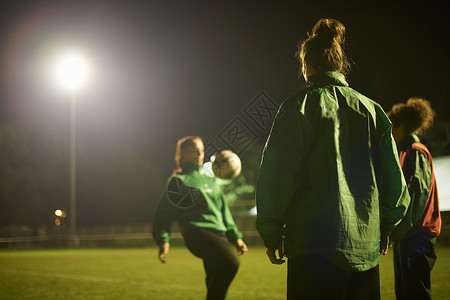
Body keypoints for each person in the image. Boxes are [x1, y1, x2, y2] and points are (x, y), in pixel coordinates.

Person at [255, 18, 410, 299]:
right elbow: (394, 181)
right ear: (340, 65)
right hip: (365, 248)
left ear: (306, 65)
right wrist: (386, 225)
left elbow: (276, 177)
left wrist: (271, 230)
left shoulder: (297, 107)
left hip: (313, 247)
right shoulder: (372, 110)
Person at [152, 136, 248, 300]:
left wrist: (235, 237)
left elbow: (223, 211)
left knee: (213, 278)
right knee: (231, 264)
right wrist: (163, 239)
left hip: (219, 235)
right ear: (183, 153)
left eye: (202, 150)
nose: (200, 154)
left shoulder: (211, 179)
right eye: (195, 150)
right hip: (197, 233)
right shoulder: (178, 180)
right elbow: (163, 213)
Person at [388, 98, 441, 300]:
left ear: (401, 126)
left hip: (417, 234)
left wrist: (396, 230)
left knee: (415, 294)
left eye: (392, 127)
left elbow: (417, 198)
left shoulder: (415, 152)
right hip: (408, 235)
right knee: (404, 293)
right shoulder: (404, 150)